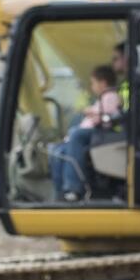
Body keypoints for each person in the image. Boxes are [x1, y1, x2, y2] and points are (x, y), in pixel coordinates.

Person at [50, 65, 122, 201]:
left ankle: (74, 187)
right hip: (90, 131)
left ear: (103, 83)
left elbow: (107, 115)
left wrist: (91, 112)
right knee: (59, 151)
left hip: (99, 132)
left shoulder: (111, 96)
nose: (92, 86)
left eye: (93, 83)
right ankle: (60, 191)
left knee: (76, 134)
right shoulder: (102, 98)